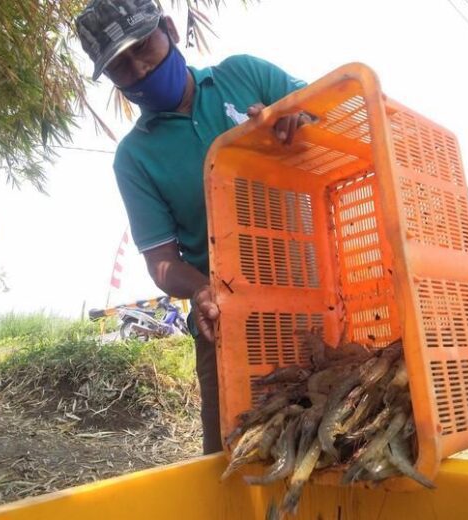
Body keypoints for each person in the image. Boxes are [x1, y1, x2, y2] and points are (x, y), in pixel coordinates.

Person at [75, 0, 308, 454]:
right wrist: (203, 291)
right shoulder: (135, 158)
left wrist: (301, 120)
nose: (139, 70)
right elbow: (161, 262)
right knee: (236, 455)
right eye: (121, 68)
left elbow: (331, 114)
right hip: (227, 321)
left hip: (315, 294)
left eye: (143, 48)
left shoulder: (244, 76)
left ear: (169, 29)